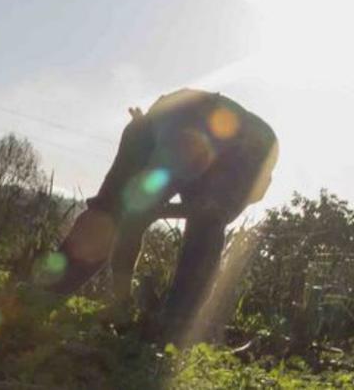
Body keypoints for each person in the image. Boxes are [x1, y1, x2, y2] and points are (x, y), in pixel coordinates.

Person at [42, 88, 278, 339]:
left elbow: (145, 216)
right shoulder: (238, 159)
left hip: (211, 131)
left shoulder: (243, 164)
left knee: (197, 222)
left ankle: (169, 323)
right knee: (122, 211)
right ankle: (173, 324)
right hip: (191, 125)